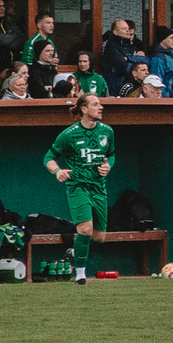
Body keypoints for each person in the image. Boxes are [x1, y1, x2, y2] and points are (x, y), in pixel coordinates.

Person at [43, 93, 115, 285]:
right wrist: (57, 171)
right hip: (77, 186)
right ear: (84, 109)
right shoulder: (68, 134)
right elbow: (48, 158)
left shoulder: (107, 131)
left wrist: (108, 166)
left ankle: (76, 250)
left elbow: (111, 155)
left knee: (99, 237)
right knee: (85, 229)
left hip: (99, 188)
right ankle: (81, 274)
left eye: (100, 104)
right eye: (96, 104)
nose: (101, 107)